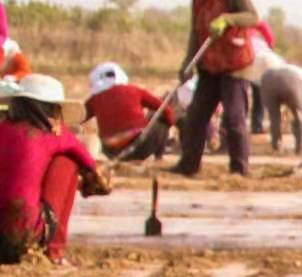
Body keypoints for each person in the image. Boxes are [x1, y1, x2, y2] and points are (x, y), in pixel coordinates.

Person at [0, 75, 111, 265]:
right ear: (50, 110)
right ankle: (55, 252)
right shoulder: (56, 137)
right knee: (67, 162)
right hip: (23, 236)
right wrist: (91, 183)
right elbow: (91, 167)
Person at [169, 0, 259, 177]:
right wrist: (187, 64)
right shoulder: (197, 0)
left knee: (234, 118)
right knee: (195, 117)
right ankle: (188, 165)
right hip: (209, 67)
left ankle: (239, 169)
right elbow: (195, 34)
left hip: (234, 65)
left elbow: (252, 16)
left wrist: (227, 19)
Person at [83, 62, 174, 162]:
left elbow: (79, 117)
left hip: (111, 151)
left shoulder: (94, 100)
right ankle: (159, 157)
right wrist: (169, 124)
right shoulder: (134, 90)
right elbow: (166, 109)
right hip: (140, 146)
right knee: (162, 121)